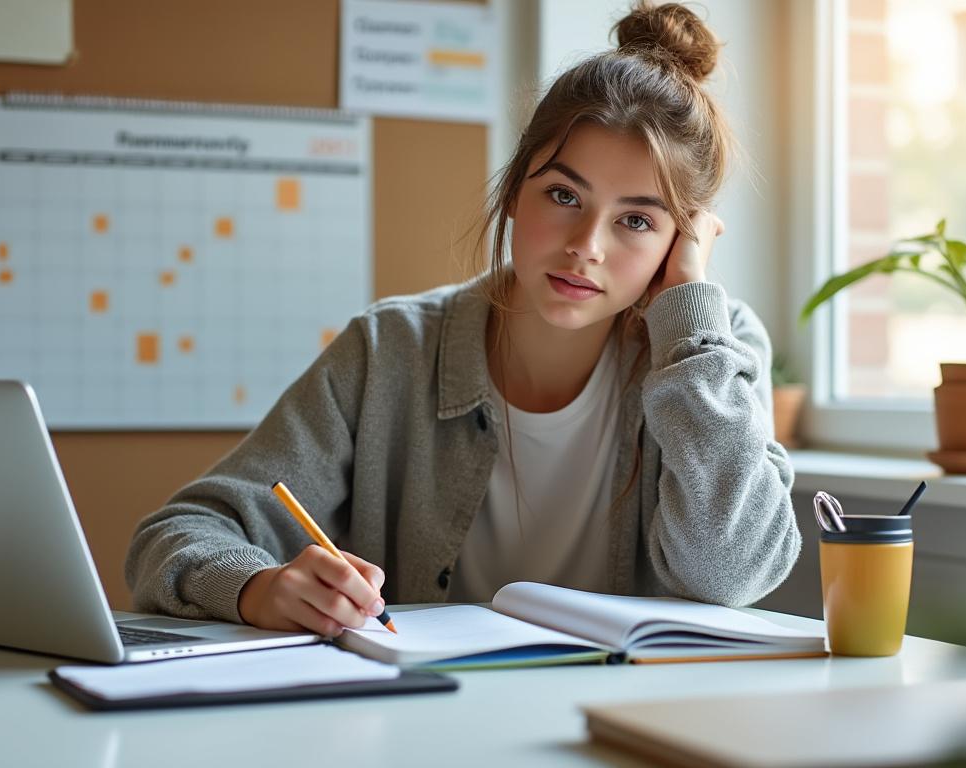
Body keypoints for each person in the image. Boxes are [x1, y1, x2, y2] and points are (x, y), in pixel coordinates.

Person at [126, 0, 801, 637]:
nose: (586, 247)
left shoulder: (711, 347)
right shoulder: (390, 349)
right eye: (563, 195)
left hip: (621, 728)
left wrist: (687, 314)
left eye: (635, 220)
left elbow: (728, 573)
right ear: (514, 193)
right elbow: (179, 532)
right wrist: (259, 588)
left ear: (681, 240)